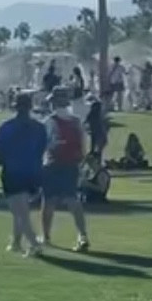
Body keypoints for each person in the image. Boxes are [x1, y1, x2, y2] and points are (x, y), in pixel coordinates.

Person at [0, 93, 46, 255]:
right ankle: (15, 242)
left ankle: (34, 244)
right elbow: (42, 149)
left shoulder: (7, 126)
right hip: (33, 172)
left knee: (20, 211)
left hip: (13, 171)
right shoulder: (39, 127)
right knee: (21, 209)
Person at [41, 88, 89, 251]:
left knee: (49, 202)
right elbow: (83, 145)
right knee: (73, 200)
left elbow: (45, 144)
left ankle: (46, 237)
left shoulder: (49, 121)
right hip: (71, 164)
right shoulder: (76, 121)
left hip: (52, 164)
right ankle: (82, 235)